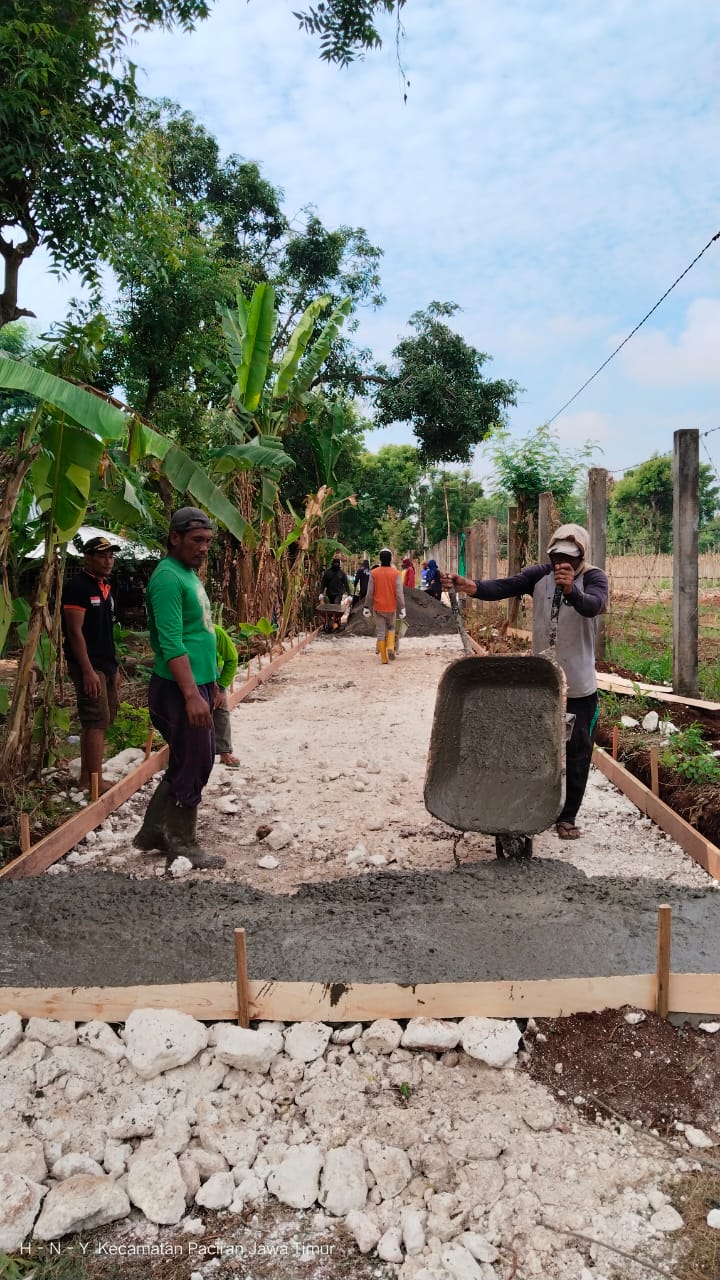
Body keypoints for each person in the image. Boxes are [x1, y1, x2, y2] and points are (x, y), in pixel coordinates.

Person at [441, 523, 608, 840]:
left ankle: (567, 816)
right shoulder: (539, 576)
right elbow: (502, 587)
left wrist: (572, 590)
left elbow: (594, 606)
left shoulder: (594, 578)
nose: (563, 562)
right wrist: (469, 586)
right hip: (542, 683)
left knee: (577, 752)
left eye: (570, 557)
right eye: (557, 555)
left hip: (579, 686)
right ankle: (534, 804)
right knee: (535, 748)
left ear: (582, 555)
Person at [133, 507, 225, 870]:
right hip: (177, 689)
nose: (204, 548)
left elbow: (200, 631)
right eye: (196, 540)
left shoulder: (186, 573)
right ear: (174, 538)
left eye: (207, 542)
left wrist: (212, 684)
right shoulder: (167, 578)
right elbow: (171, 642)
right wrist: (190, 694)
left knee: (192, 757)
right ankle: (183, 843)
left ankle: (154, 831)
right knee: (196, 761)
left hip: (198, 684)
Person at [61, 534, 121, 794]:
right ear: (87, 557)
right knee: (95, 719)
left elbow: (107, 631)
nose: (108, 561)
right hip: (88, 664)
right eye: (102, 555)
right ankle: (93, 782)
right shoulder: (78, 587)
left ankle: (88, 776)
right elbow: (75, 632)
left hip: (106, 663)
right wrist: (87, 671)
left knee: (102, 719)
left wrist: (115, 667)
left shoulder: (104, 588)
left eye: (111, 556)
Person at [363, 547, 405, 664]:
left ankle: (384, 659)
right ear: (391, 559)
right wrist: (402, 608)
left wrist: (366, 606)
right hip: (391, 608)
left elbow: (370, 592)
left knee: (381, 632)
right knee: (391, 627)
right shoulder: (396, 573)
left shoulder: (374, 573)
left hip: (378, 608)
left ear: (380, 559)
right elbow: (399, 593)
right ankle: (391, 647)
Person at [213, 623, 240, 768]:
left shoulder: (216, 631)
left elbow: (232, 658)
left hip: (215, 673)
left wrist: (222, 687)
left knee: (220, 711)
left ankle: (224, 751)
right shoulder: (180, 630)